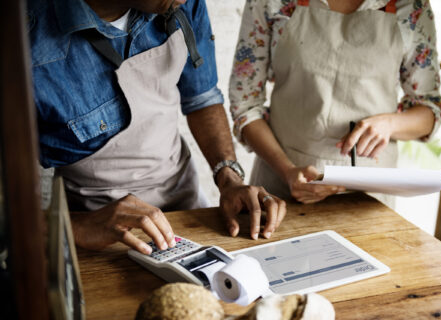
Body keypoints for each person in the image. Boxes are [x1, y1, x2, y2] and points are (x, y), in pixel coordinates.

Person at [28, 0, 287, 255]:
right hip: (97, 226)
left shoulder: (180, 4)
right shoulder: (23, 34)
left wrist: (229, 177)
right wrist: (76, 226)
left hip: (184, 207)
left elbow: (201, 99)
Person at [229, 0, 441, 205]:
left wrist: (390, 124)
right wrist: (287, 171)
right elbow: (245, 104)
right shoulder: (270, 2)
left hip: (368, 199)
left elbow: (429, 110)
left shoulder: (411, 6)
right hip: (280, 189)